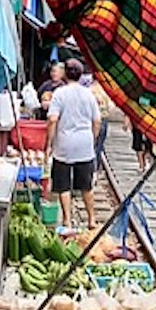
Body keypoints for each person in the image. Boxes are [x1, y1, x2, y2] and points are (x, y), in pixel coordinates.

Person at [45, 59, 100, 232]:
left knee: (63, 184)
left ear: (65, 74)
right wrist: (92, 138)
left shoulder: (59, 94)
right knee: (86, 184)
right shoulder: (88, 94)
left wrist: (49, 144)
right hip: (84, 144)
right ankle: (92, 219)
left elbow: (52, 119)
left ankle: (67, 220)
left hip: (64, 144)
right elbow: (97, 120)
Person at [90, 78, 111, 169]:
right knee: (99, 145)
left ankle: (91, 168)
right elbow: (111, 107)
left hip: (91, 120)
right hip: (103, 118)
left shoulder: (89, 90)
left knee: (91, 145)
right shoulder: (107, 90)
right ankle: (96, 168)